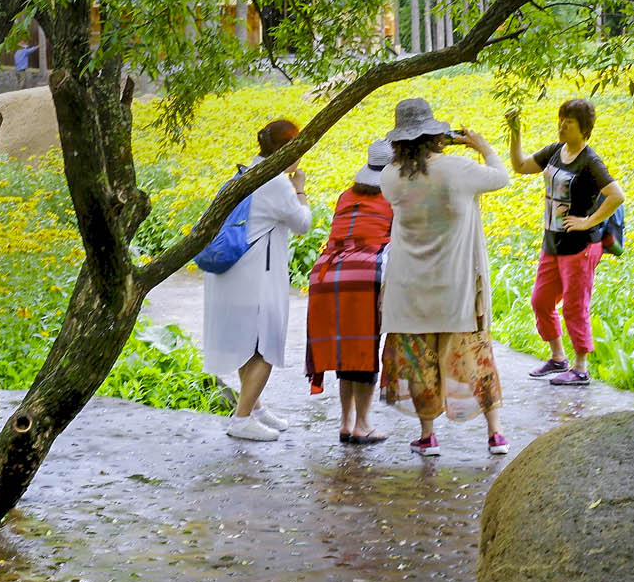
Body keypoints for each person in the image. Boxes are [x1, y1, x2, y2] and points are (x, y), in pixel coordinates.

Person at [378, 98, 510, 456]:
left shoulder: (389, 177)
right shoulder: (459, 169)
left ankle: (428, 436)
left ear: (398, 141)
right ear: (436, 135)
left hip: (408, 287)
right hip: (456, 285)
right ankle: (495, 433)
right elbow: (501, 177)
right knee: (476, 356)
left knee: (420, 363)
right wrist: (482, 146)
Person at [203, 118, 313, 441]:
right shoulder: (277, 182)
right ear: (288, 149)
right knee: (265, 346)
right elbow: (303, 224)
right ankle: (241, 420)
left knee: (246, 344)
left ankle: (255, 408)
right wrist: (300, 188)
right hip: (256, 277)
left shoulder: (246, 172)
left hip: (232, 274)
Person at [506, 99, 626, 387]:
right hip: (553, 242)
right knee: (541, 301)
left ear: (583, 129)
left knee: (574, 306)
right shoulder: (554, 151)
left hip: (581, 247)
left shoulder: (590, 161)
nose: (561, 126)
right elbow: (520, 166)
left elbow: (616, 195)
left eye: (568, 122)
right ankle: (558, 358)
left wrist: (588, 221)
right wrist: (515, 132)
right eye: (561, 120)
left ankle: (581, 368)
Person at [305, 139, 394, 445]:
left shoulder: (346, 195)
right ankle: (363, 424)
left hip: (326, 274)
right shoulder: (394, 196)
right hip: (365, 274)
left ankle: (346, 422)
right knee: (365, 351)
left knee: (346, 353)